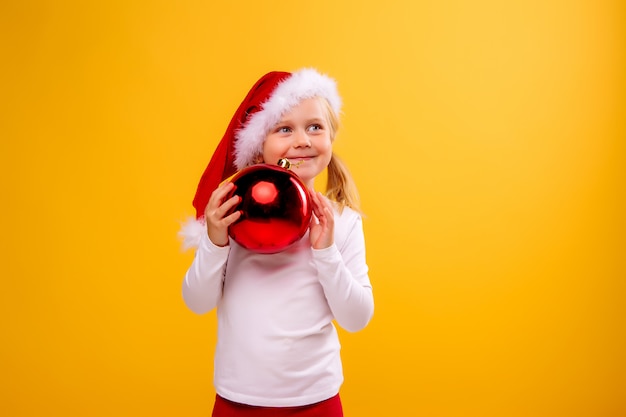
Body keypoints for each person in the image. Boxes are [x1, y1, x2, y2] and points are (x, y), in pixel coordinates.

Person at [180, 68, 374, 416]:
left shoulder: (342, 222)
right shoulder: (231, 219)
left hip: (318, 403)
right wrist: (214, 242)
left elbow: (358, 318)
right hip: (236, 402)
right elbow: (196, 301)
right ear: (258, 150)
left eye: (314, 126)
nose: (302, 140)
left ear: (331, 137)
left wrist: (325, 252)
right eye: (284, 128)